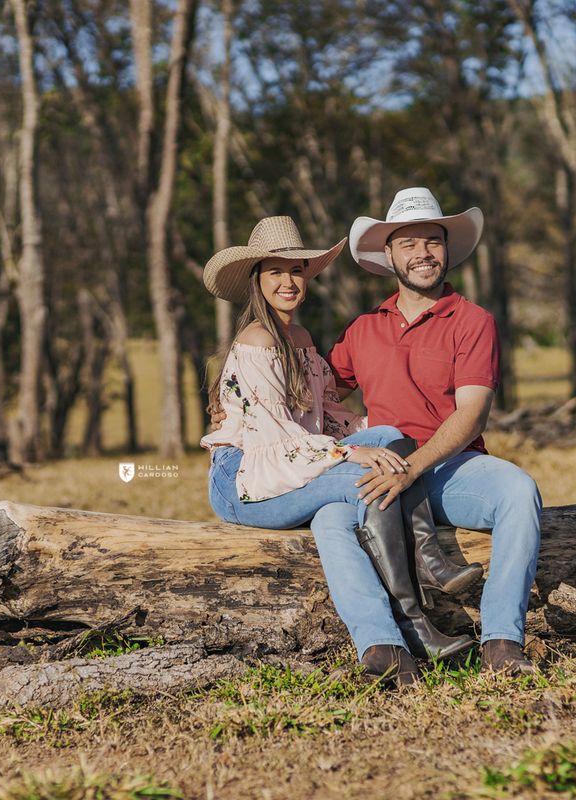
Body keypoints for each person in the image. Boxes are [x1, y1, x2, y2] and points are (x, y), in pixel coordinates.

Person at [199, 216, 481, 685]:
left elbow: (327, 416)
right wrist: (349, 455)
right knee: (366, 479)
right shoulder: (256, 340)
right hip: (244, 479)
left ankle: (383, 646)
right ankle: (415, 622)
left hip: (294, 464)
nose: (289, 282)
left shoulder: (301, 340)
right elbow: (276, 444)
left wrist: (374, 439)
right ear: (257, 281)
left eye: (297, 271)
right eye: (275, 272)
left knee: (385, 442)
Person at [308, 187, 544, 677]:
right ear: (389, 254)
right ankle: (383, 649)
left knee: (519, 491)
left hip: (446, 468)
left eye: (432, 242)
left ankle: (502, 642)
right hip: (385, 465)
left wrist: (412, 468)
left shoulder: (473, 321)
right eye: (409, 243)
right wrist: (234, 404)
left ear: (447, 250)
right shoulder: (363, 329)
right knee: (329, 519)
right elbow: (315, 395)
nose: (422, 253)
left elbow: (471, 415)